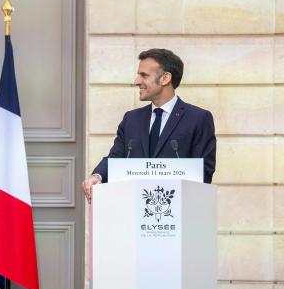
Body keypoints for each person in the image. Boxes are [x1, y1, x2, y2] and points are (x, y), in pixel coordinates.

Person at [81, 48, 216, 203]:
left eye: (144, 75)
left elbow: (204, 171)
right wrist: (97, 176)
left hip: (180, 212)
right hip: (133, 210)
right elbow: (116, 157)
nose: (137, 81)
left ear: (165, 78)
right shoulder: (131, 119)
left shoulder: (198, 118)